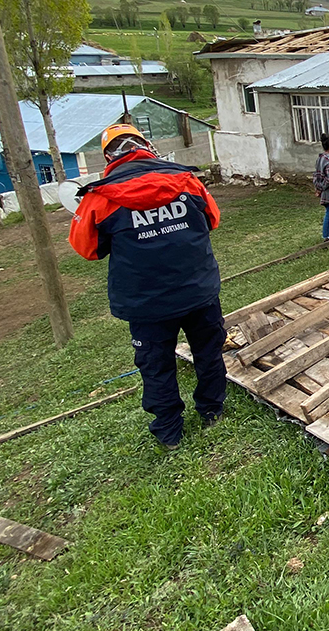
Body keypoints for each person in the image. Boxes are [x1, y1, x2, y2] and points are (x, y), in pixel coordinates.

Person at [68, 124, 225, 451]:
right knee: (208, 354)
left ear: (109, 156)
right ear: (146, 146)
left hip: (147, 303)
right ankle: (213, 412)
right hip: (198, 291)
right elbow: (212, 220)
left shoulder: (100, 199)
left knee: (157, 367)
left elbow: (87, 249)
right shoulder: (187, 181)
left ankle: (170, 434)